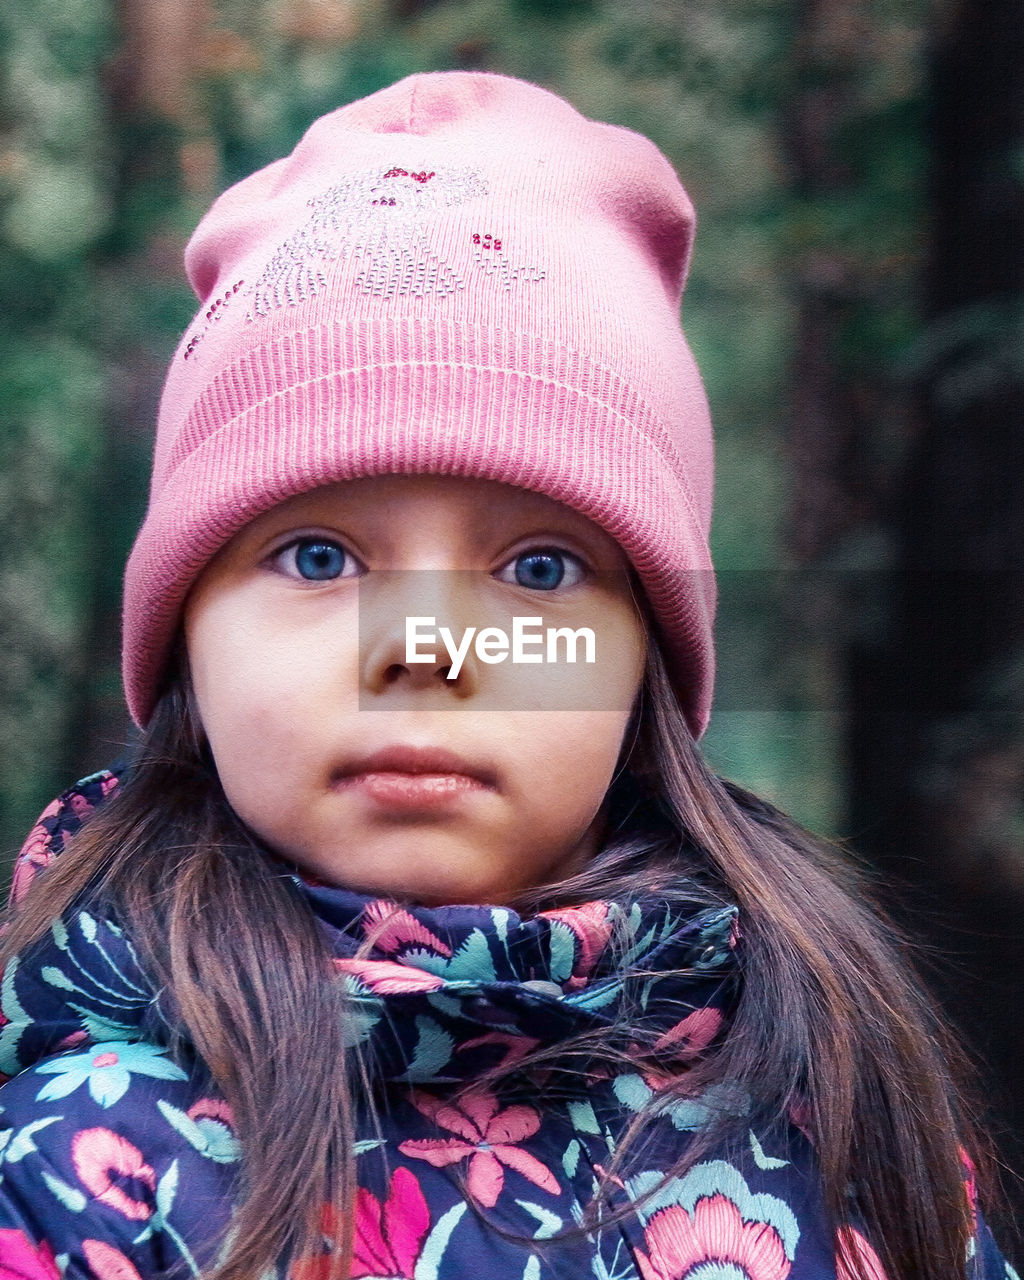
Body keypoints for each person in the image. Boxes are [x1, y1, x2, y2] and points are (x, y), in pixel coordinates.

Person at [0, 71, 1012, 1280]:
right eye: (318, 556)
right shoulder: (74, 1168)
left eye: (539, 568)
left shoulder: (851, 1117)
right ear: (184, 641)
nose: (425, 652)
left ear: (645, 660)